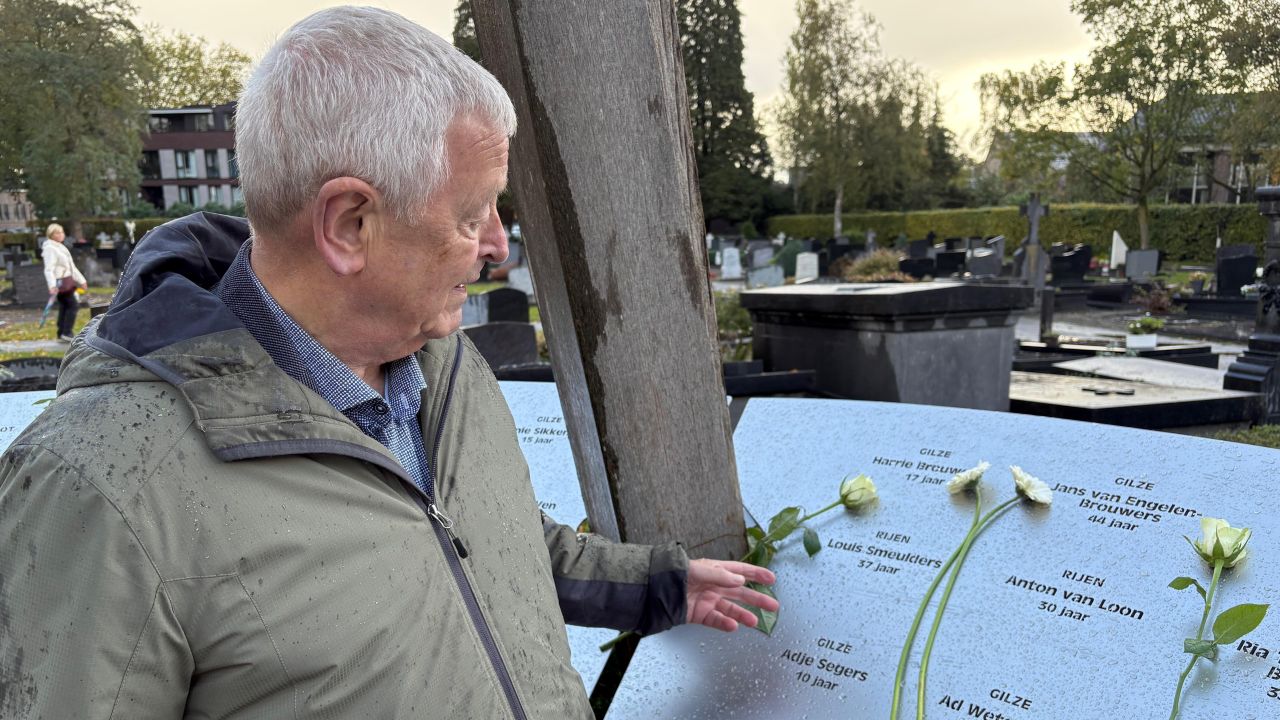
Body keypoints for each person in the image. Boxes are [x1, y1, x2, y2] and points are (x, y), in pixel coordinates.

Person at [0, 7, 777, 718]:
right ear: (350, 223)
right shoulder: (101, 486)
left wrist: (653, 586)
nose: (499, 246)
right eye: (471, 214)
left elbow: (484, 539)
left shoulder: (444, 366)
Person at [40, 222, 87, 341]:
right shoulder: (50, 248)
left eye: (62, 232)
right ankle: (67, 332)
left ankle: (61, 332)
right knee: (73, 305)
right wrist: (52, 285)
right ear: (51, 234)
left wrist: (82, 280)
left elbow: (71, 267)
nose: (61, 234)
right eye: (57, 232)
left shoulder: (60, 247)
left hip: (67, 281)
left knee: (65, 306)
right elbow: (49, 269)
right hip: (60, 283)